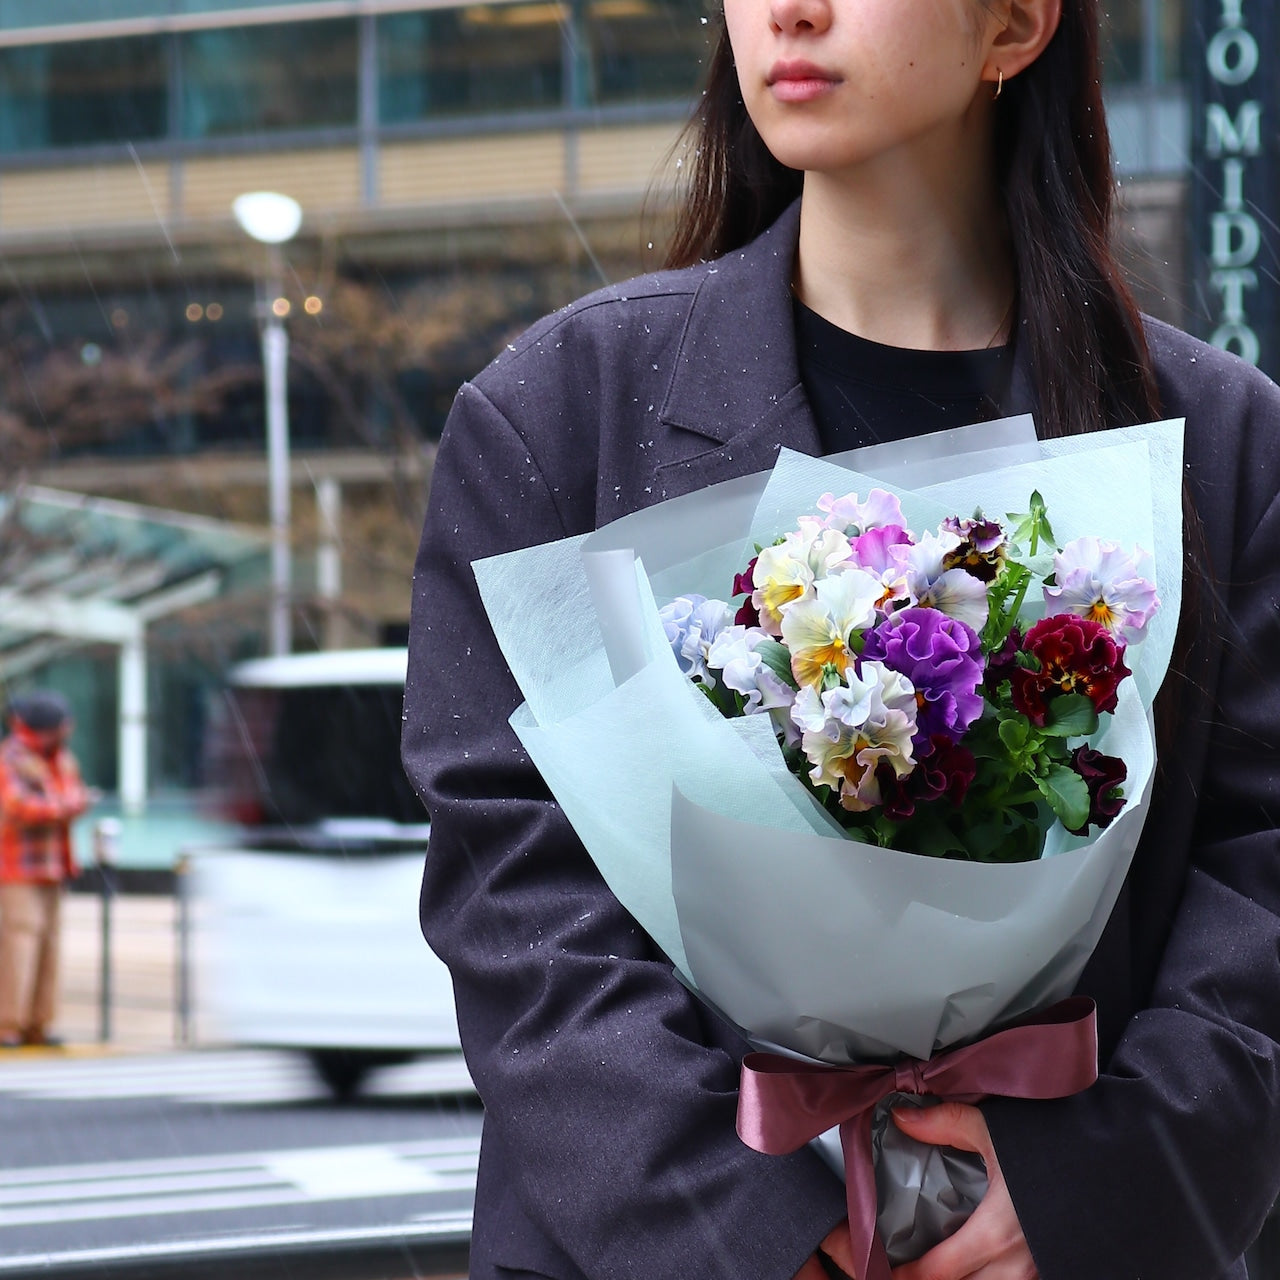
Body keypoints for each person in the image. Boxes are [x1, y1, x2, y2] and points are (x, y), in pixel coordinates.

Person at [401, 0, 1280, 1275]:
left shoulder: (1223, 441)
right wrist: (755, 1233)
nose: (789, 11)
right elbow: (518, 903)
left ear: (1016, 25)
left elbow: (1258, 881)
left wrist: (1088, 1186)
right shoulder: (559, 415)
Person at [0, 690, 95, 1049]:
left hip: (54, 863)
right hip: (17, 865)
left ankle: (39, 1023)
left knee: (49, 944)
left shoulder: (59, 758)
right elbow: (19, 806)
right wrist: (63, 804)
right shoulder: (12, 757)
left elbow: (75, 796)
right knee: (19, 942)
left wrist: (59, 801)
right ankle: (8, 1023)